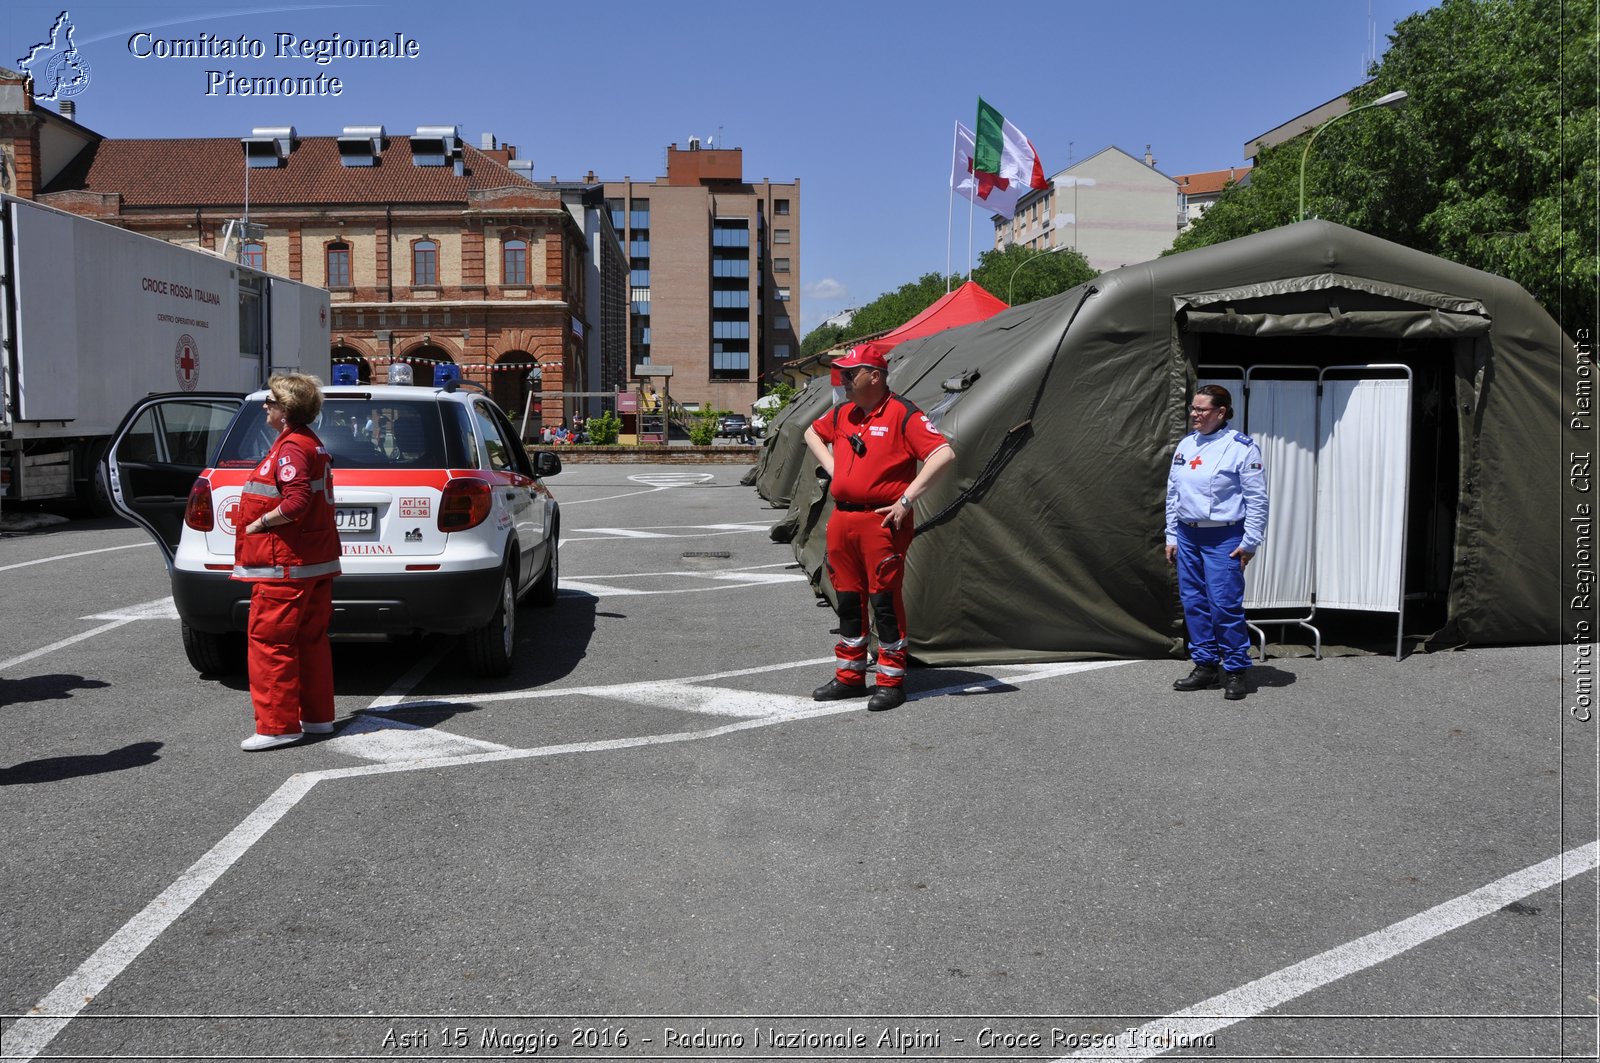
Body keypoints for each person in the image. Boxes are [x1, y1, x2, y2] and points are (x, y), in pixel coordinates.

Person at [803, 348, 956, 711]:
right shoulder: (843, 413)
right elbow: (811, 432)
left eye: (849, 374)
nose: (842, 381)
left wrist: (907, 499)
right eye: (841, 374)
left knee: (884, 601)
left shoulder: (903, 413)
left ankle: (890, 681)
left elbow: (942, 454)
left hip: (881, 521)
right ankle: (850, 677)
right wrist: (836, 468)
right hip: (843, 519)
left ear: (874, 375)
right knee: (847, 599)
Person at [233, 374, 342, 750]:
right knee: (310, 640)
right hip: (310, 561)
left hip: (287, 564)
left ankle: (277, 727)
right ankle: (317, 718)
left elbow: (295, 503)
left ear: (286, 411)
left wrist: (258, 524)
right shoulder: (308, 443)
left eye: (272, 401)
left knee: (270, 642)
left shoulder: (292, 448)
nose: (266, 406)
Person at [1164, 384, 1268, 701]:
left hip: (1223, 535)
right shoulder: (1186, 444)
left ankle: (1236, 669)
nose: (1193, 414)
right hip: (1188, 533)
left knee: (1224, 604)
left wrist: (1250, 541)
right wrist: (1171, 534)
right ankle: (1206, 666)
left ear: (1221, 412)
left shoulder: (1241, 448)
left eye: (1201, 409)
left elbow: (1257, 499)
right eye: (1193, 409)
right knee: (1194, 603)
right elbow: (1173, 493)